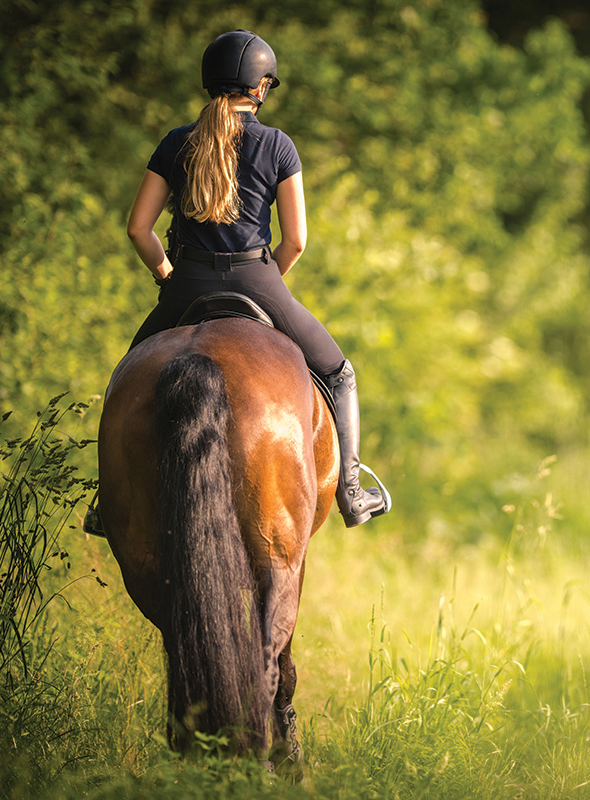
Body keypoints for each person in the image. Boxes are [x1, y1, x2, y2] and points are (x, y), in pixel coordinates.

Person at [120, 29, 387, 528]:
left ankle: (105, 499)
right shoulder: (278, 146)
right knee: (339, 373)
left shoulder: (176, 143)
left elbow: (139, 229)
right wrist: (264, 281)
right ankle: (351, 493)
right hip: (257, 280)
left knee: (126, 379)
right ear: (260, 88)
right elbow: (296, 242)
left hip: (187, 285)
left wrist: (167, 276)